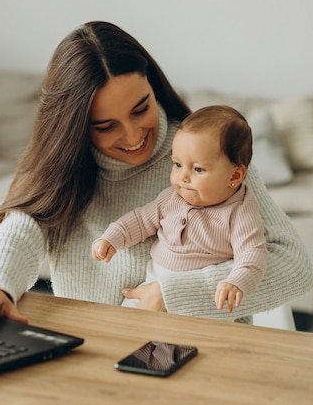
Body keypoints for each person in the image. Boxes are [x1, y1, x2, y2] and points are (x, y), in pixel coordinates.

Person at [0, 21, 312, 324]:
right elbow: (25, 224)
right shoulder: (67, 165)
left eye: (140, 109)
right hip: (91, 343)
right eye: (106, 126)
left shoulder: (207, 159)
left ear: (153, 85)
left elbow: (294, 265)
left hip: (198, 347)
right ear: (76, 127)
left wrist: (175, 295)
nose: (134, 137)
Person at [92, 105, 267, 313]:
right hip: (153, 282)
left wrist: (237, 282)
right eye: (177, 164)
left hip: (198, 299)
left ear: (235, 176)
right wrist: (113, 237)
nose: (183, 177)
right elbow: (140, 220)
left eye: (198, 169)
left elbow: (252, 252)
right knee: (125, 323)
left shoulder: (239, 211)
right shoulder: (171, 199)